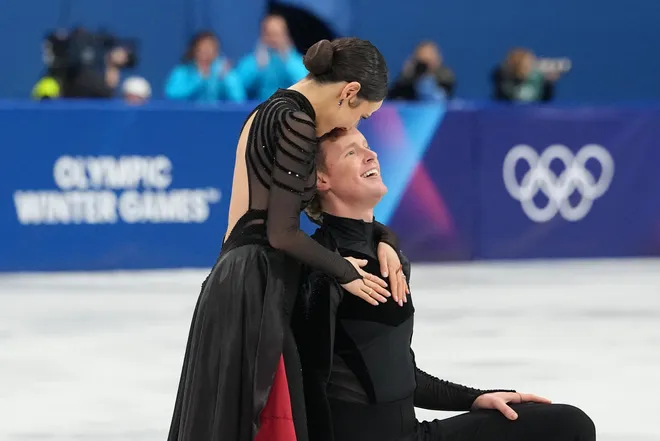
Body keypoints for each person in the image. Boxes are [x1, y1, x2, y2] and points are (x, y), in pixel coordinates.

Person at [167, 38, 408, 441]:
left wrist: (385, 237)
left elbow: (310, 213)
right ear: (348, 92)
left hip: (237, 279)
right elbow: (282, 233)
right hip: (254, 283)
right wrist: (344, 270)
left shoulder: (269, 110)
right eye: (362, 115)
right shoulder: (296, 122)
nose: (350, 128)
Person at [295, 128, 597, 441]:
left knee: (566, 425)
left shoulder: (390, 257)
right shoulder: (324, 266)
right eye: (350, 153)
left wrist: (475, 398)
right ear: (321, 179)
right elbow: (309, 381)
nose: (370, 155)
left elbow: (400, 378)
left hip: (412, 434)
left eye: (367, 146)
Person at [234, 14, 309, 100]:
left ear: (286, 36)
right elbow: (239, 87)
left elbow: (304, 85)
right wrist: (257, 67)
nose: (273, 39)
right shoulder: (254, 60)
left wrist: (287, 61)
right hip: (260, 109)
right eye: (269, 34)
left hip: (289, 108)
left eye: (276, 34)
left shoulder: (296, 61)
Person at [165, 31, 245, 103]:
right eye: (203, 50)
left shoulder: (222, 72)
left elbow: (239, 100)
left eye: (211, 50)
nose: (206, 55)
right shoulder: (182, 72)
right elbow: (172, 95)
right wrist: (198, 80)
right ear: (194, 51)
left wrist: (227, 79)